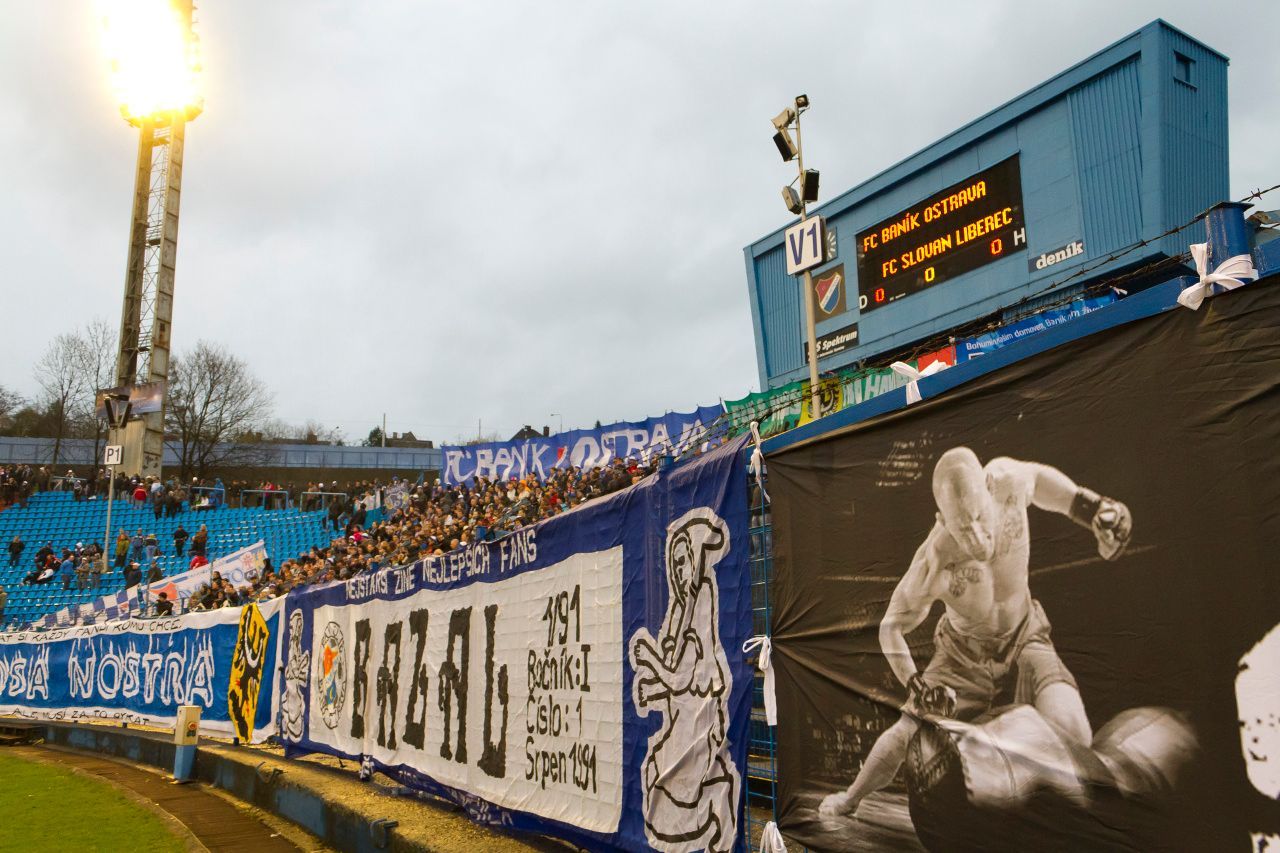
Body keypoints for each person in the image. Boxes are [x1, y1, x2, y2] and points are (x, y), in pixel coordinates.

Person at [819, 447, 1132, 819]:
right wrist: (917, 685)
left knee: (1075, 736)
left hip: (1025, 636)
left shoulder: (1008, 481)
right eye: (963, 526)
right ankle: (850, 800)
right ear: (942, 519)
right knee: (906, 733)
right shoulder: (934, 560)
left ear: (988, 488)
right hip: (961, 653)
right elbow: (890, 628)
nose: (979, 534)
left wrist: (1091, 508)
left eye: (981, 516)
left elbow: (1040, 480)